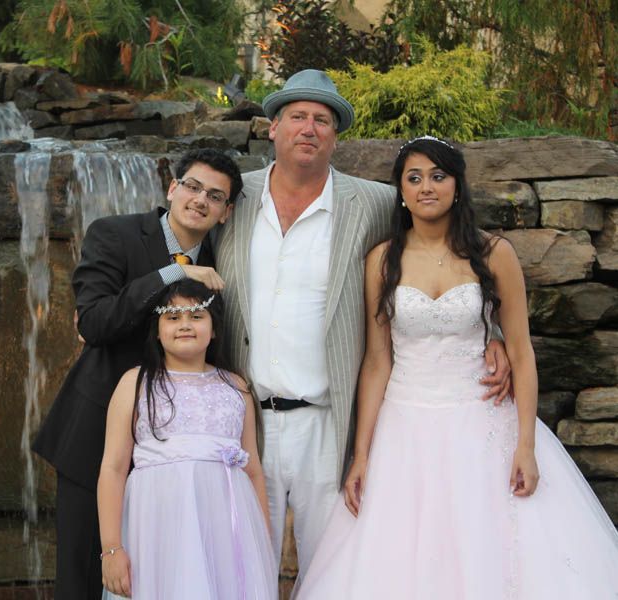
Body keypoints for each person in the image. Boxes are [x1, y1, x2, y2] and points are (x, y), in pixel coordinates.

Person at [215, 70, 512, 576]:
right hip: (242, 421)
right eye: (298, 116)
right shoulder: (233, 197)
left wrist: (491, 333)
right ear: (273, 127)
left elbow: (448, 254)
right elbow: (175, 234)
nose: (309, 128)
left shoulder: (372, 202)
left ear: (336, 135)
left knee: (330, 568)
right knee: (240, 569)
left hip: (328, 421)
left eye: (322, 120)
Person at [296, 135, 618, 599]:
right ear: (401, 192)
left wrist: (526, 443)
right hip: (404, 426)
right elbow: (376, 361)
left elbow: (522, 352)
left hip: (483, 421)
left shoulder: (494, 253)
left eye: (438, 176)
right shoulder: (382, 260)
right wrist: (362, 453)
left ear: (458, 187)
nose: (427, 186)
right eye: (414, 178)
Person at [32, 148, 243, 599]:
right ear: (172, 188)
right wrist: (170, 274)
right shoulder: (114, 234)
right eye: (192, 186)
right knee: (86, 574)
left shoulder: (228, 262)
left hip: (178, 449)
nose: (200, 200)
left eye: (215, 195)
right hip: (97, 434)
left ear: (226, 212)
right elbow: (94, 322)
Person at [98, 279, 277, 600]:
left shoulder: (236, 386)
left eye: (196, 316)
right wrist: (112, 548)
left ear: (215, 328)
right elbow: (112, 468)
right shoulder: (136, 383)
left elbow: (253, 470)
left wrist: (261, 543)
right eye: (173, 317)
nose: (185, 325)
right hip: (158, 523)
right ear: (156, 329)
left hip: (224, 527)